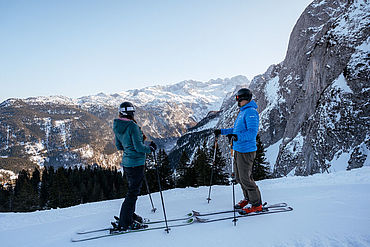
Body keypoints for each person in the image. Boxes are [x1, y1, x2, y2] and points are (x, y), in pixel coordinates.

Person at [214, 88, 263, 214]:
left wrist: (237, 137)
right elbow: (237, 130)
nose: (236, 101)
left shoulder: (251, 112)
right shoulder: (243, 111)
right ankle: (248, 198)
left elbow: (252, 133)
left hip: (246, 151)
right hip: (238, 149)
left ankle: (256, 204)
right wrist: (222, 132)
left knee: (246, 178)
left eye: (237, 98)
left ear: (243, 98)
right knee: (239, 177)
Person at [111, 101, 157, 231]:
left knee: (132, 191)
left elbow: (119, 146)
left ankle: (128, 215)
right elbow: (138, 147)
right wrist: (150, 148)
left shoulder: (118, 125)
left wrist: (129, 147)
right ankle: (126, 222)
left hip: (127, 164)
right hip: (136, 163)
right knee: (133, 193)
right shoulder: (132, 127)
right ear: (131, 113)